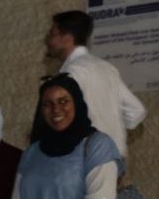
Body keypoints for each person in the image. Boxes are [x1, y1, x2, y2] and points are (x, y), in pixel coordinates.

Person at [45, 10, 146, 161]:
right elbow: (136, 111)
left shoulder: (71, 72)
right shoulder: (106, 67)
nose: (48, 41)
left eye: (52, 34)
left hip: (86, 156)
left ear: (67, 37)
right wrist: (111, 126)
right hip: (114, 156)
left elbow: (63, 119)